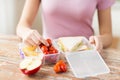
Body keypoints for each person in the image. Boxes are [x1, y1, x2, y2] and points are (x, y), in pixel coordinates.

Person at [16, 0, 115, 53]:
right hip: (50, 54)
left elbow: (108, 36)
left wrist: (100, 40)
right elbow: (22, 26)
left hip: (84, 53)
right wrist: (26, 32)